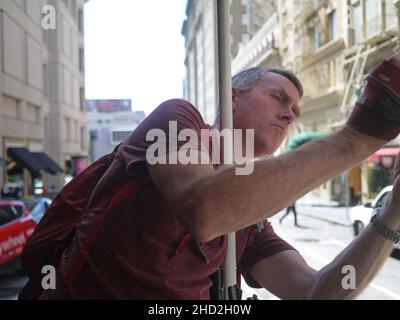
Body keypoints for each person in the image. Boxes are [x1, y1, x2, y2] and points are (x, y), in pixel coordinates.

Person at [38, 53, 400, 300]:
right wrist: (356, 139)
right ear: (232, 96)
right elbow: (204, 208)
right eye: (278, 98)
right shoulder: (177, 119)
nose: (290, 115)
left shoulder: (249, 221)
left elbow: (314, 291)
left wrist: (391, 214)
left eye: (296, 110)